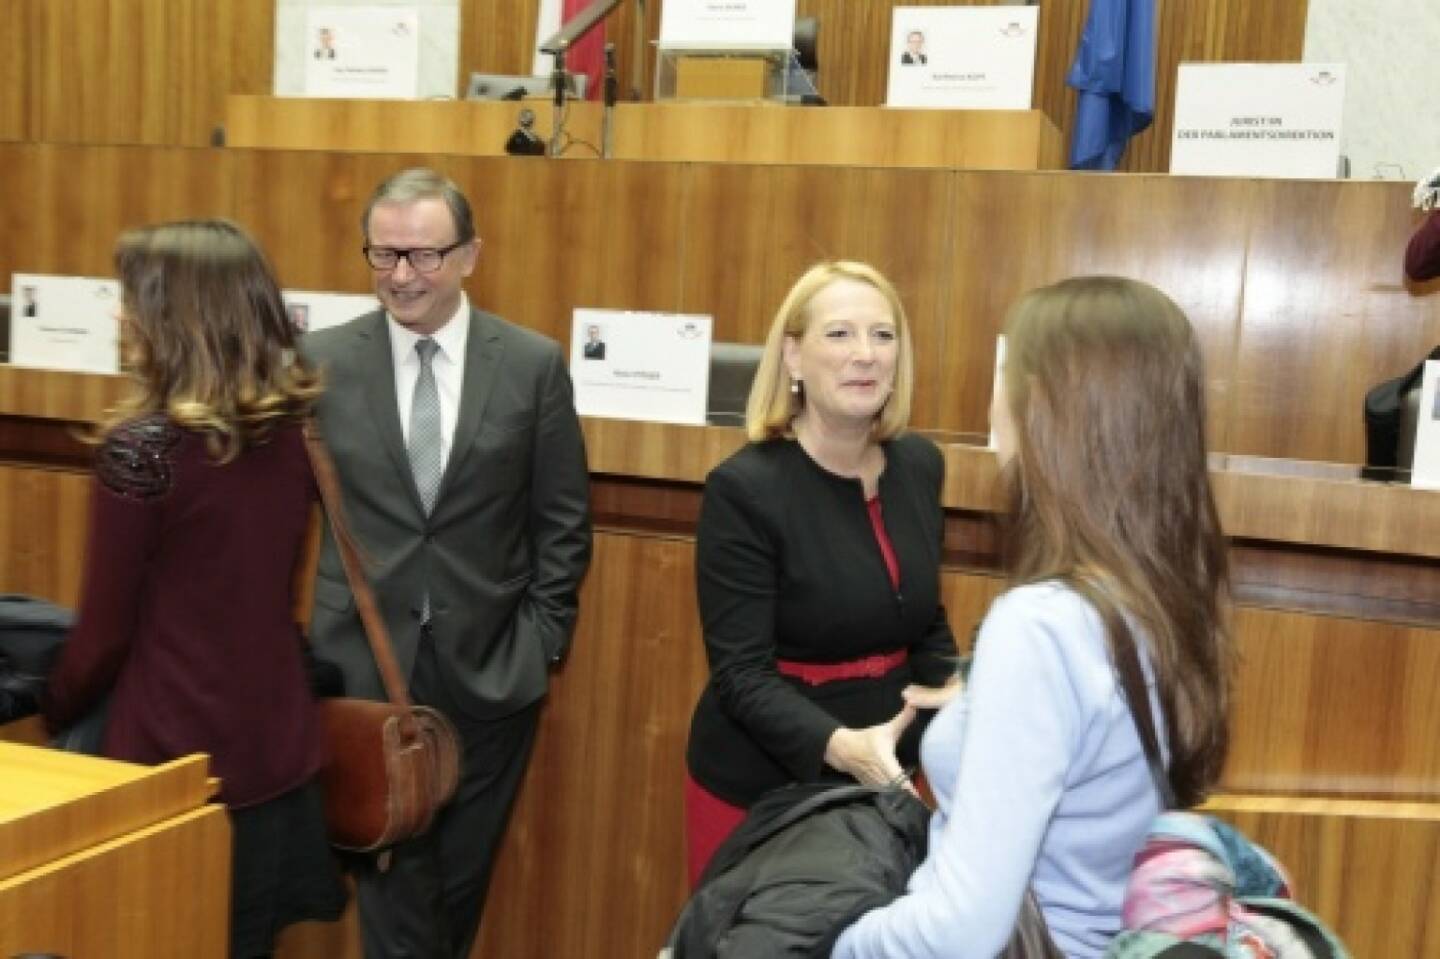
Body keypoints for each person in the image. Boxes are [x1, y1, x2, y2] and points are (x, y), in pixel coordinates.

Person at [832, 276, 1234, 958]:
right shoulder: (1157, 595)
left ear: (1052, 407)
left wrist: (822, 941)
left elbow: (959, 933)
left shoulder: (1043, 626)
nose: (996, 395)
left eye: (1007, 369)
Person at [302, 167, 592, 959]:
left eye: (424, 256)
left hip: (494, 674)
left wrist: (542, 641)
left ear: (470, 255)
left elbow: (562, 520)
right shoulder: (315, 362)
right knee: (394, 888)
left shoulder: (531, 364)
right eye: (385, 255)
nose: (402, 276)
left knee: (459, 889)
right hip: (365, 676)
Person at [42, 219, 346, 959]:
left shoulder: (142, 451)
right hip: (273, 757)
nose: (117, 313)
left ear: (175, 318)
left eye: (130, 297)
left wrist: (52, 705)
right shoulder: (292, 433)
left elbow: (103, 637)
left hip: (166, 769)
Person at [683, 260, 960, 888]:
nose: (865, 354)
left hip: (890, 773)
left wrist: (958, 691)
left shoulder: (920, 464)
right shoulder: (744, 489)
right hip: (761, 787)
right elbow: (741, 675)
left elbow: (921, 619)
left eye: (883, 336)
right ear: (794, 357)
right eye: (839, 334)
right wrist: (845, 748)